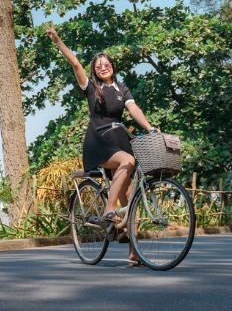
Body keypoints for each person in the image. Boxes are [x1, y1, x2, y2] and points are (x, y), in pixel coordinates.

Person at [45, 22, 156, 265]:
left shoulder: (122, 89)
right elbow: (75, 63)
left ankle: (133, 254)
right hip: (98, 140)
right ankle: (108, 210)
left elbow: (134, 109)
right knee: (128, 162)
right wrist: (57, 40)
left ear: (113, 67)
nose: (103, 67)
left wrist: (149, 128)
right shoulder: (91, 87)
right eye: (98, 65)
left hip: (120, 139)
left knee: (132, 199)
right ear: (94, 71)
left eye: (106, 64)